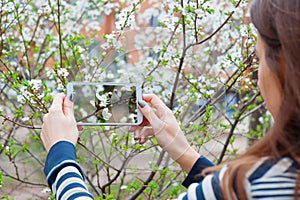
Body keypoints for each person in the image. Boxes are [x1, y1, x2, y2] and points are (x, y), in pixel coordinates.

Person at [41, 0, 300, 199]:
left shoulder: (255, 183)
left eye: (258, 59)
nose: (257, 77)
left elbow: (234, 189)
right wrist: (183, 151)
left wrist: (61, 156)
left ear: (285, 70)